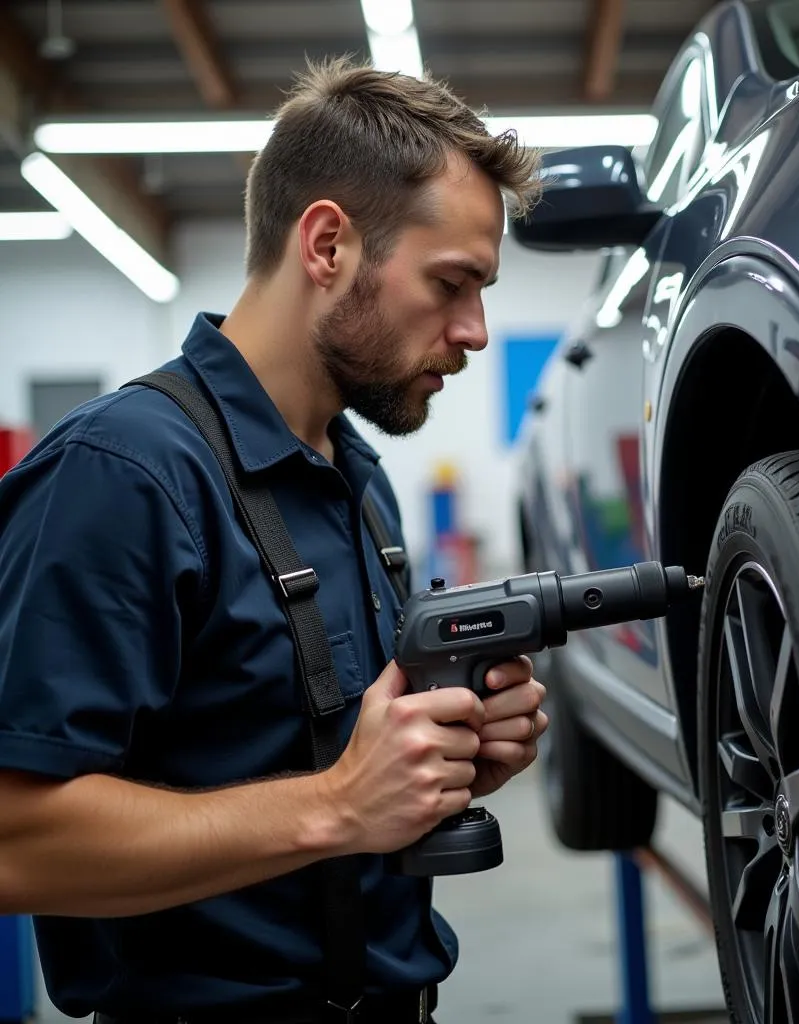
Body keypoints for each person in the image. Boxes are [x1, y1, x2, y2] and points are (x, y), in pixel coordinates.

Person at [0, 58, 549, 1024]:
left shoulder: (354, 478)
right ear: (328, 243)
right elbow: (13, 841)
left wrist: (440, 756)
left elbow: (322, 751)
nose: (475, 332)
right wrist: (338, 803)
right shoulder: (122, 476)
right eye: (452, 283)